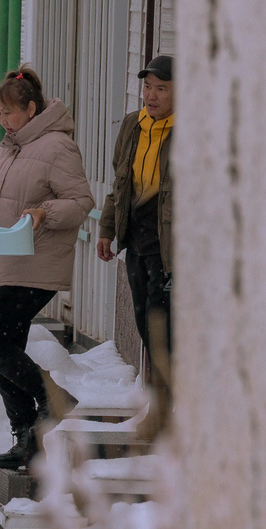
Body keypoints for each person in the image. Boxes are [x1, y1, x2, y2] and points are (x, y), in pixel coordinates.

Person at [0, 66, 93, 471]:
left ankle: (54, 399)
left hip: (36, 263)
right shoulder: (9, 149)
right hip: (7, 263)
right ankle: (26, 438)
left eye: (9, 113)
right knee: (4, 351)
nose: (3, 121)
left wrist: (44, 211)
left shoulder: (56, 145)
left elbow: (81, 201)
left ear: (32, 108)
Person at [98, 55, 175, 383]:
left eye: (161, 89)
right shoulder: (133, 125)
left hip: (169, 244)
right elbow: (120, 183)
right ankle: (163, 400)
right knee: (145, 322)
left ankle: (173, 403)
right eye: (147, 87)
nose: (151, 96)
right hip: (136, 237)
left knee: (166, 325)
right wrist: (107, 228)